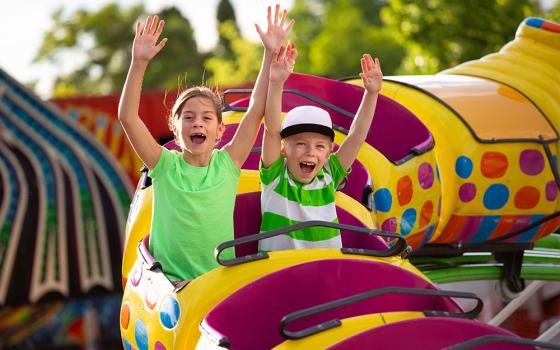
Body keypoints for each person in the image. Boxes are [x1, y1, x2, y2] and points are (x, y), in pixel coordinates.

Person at [118, 5, 294, 281]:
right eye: (188, 117)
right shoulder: (164, 165)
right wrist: (138, 64)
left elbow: (255, 110)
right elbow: (127, 117)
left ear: (219, 129)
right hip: (172, 286)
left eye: (206, 117)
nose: (197, 123)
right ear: (176, 130)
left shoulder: (228, 162)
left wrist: (270, 54)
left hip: (217, 283)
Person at [259, 51, 383, 251]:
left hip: (325, 269)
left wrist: (371, 94)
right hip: (281, 273)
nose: (310, 152)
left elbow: (356, 137)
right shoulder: (275, 177)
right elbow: (272, 130)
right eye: (300, 143)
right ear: (284, 149)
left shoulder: (328, 175)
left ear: (328, 153)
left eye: (319, 146)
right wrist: (276, 83)